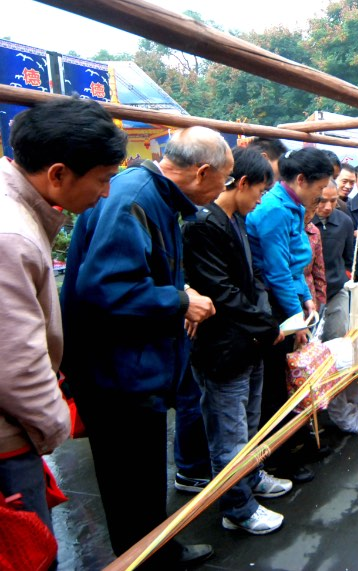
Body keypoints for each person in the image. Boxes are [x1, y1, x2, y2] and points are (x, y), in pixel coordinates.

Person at [62, 126, 227, 566]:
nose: (221, 191)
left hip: (137, 368)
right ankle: (142, 561)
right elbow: (105, 290)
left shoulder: (155, 195)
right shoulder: (132, 198)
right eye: (223, 181)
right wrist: (178, 301)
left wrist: (177, 289)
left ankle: (158, 549)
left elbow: (141, 272)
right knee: (128, 481)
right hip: (117, 374)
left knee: (144, 476)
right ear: (202, 171)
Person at [0, 98, 126, 543]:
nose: (106, 193)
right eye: (103, 179)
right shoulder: (11, 235)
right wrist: (55, 424)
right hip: (7, 440)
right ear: (57, 174)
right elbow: (16, 362)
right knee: (28, 550)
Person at [182, 146, 292, 535]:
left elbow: (254, 279)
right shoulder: (203, 224)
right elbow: (222, 291)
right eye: (260, 191)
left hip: (249, 342)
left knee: (249, 422)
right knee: (228, 433)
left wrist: (264, 322)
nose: (261, 200)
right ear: (241, 183)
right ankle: (237, 507)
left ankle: (253, 476)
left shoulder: (236, 220)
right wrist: (266, 325)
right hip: (222, 347)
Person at [246, 147, 334, 484]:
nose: (322, 195)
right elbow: (277, 270)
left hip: (288, 299)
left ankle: (296, 445)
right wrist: (295, 315)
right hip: (271, 305)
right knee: (275, 386)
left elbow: (294, 263)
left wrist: (305, 300)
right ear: (300, 180)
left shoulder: (293, 206)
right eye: (319, 187)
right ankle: (277, 459)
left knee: (292, 380)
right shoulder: (275, 211)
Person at [313, 179, 358, 433]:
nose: (328, 206)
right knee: (312, 351)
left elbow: (348, 256)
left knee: (339, 347)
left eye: (333, 201)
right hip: (310, 296)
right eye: (322, 201)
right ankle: (314, 413)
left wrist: (346, 279)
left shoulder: (344, 221)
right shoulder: (303, 223)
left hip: (336, 290)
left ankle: (337, 407)